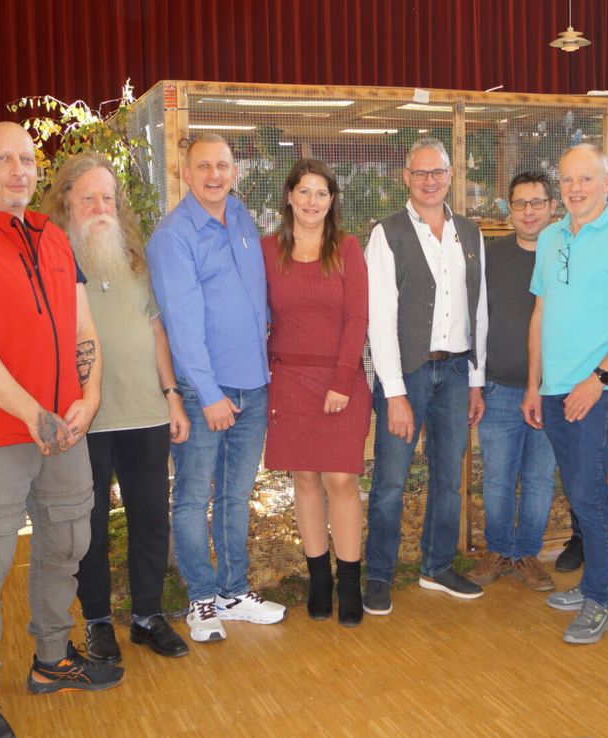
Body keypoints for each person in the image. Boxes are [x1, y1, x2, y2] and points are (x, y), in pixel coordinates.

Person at [0, 122, 121, 738]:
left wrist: (87, 399)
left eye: (26, 159)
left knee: (66, 546)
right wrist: (35, 414)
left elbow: (83, 328)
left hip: (66, 431)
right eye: (1, 159)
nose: (17, 170)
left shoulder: (54, 237)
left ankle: (51, 659)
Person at [40, 153, 191, 664]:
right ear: (66, 204)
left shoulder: (134, 259)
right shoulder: (50, 259)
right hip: (85, 418)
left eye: (107, 198)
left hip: (145, 412)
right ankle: (99, 621)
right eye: (88, 198)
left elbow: (156, 329)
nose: (100, 207)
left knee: (151, 518)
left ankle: (148, 617)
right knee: (92, 527)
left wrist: (172, 395)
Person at [147, 133, 285, 644]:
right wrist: (207, 395)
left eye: (223, 165)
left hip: (254, 383)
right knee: (191, 496)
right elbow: (180, 325)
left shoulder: (242, 218)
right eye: (203, 166)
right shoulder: (173, 235)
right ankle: (201, 598)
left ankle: (233, 591)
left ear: (235, 171)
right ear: (185, 173)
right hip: (209, 389)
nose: (214, 175)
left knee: (236, 494)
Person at [524, 143, 608, 644]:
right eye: (567, 180)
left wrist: (597, 380)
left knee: (588, 493)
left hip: (597, 389)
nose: (575, 189)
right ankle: (599, 585)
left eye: (585, 179)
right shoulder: (551, 235)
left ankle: (601, 598)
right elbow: (541, 314)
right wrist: (535, 385)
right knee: (580, 491)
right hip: (554, 389)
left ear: (606, 182)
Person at [364, 137, 488, 615]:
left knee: (449, 478)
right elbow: (380, 319)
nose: (430, 180)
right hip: (408, 374)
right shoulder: (387, 233)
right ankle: (378, 574)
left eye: (438, 172)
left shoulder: (470, 234)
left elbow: (478, 312)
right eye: (421, 173)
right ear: (406, 179)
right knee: (392, 480)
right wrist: (393, 393)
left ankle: (436, 566)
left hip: (456, 371)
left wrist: (475, 379)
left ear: (451, 175)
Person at [261, 159, 371, 627]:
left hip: (340, 381)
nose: (311, 201)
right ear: (289, 196)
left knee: (341, 481)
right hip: (288, 381)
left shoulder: (347, 248)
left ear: (332, 201)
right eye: (303, 192)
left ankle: (349, 582)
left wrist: (342, 382)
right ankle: (318, 579)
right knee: (304, 479)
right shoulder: (267, 251)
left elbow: (357, 318)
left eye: (321, 193)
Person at [468, 171, 559, 593]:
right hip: (499, 388)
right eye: (519, 203)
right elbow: (475, 323)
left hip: (553, 390)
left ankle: (527, 553)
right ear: (508, 210)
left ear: (552, 207)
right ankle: (499, 549)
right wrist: (475, 381)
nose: (528, 211)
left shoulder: (566, 254)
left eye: (536, 202)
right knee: (498, 477)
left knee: (540, 477)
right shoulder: (490, 256)